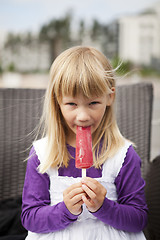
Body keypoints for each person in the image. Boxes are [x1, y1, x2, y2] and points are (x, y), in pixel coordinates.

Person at [21, 46, 148, 240]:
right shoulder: (41, 154)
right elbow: (30, 218)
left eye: (93, 103)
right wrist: (65, 210)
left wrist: (103, 206)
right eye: (72, 104)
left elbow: (138, 219)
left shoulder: (123, 155)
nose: (82, 116)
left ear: (109, 97)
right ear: (57, 102)